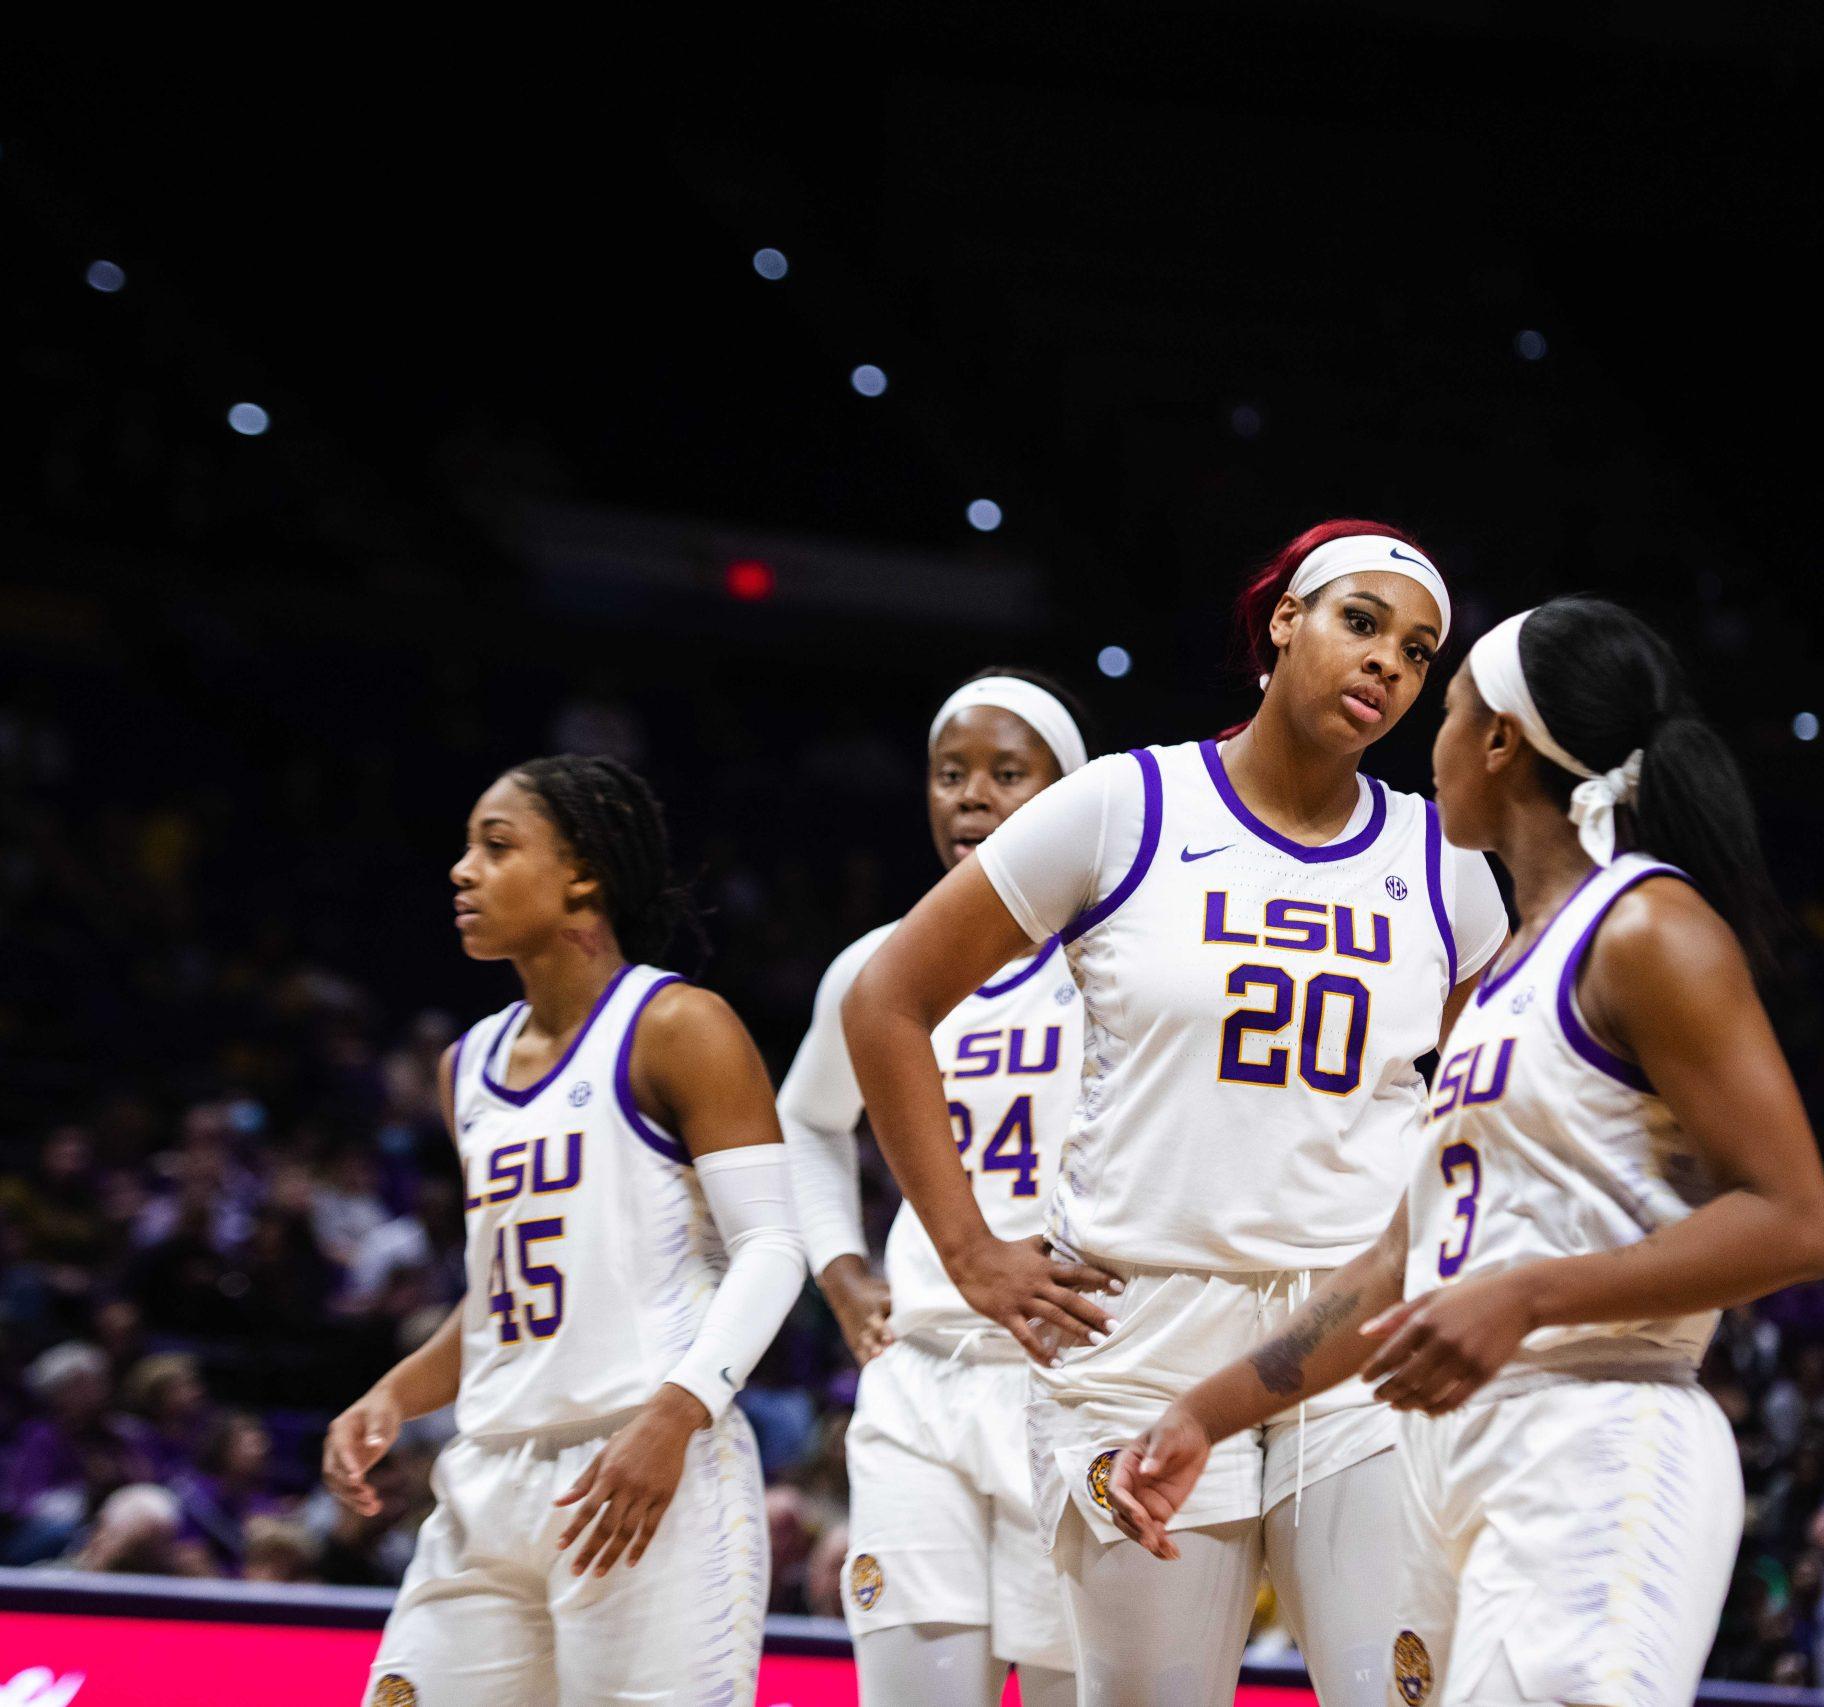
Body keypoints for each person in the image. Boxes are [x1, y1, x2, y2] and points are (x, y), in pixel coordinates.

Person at [1108, 596, 1824, 1707]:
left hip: (1604, 1433)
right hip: (1464, 1456)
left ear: (1498, 737)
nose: (1427, 737)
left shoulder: (1647, 931)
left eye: (1445, 707)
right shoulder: (1498, 981)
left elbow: (1792, 1221)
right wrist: (1203, 1415)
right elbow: (1399, 1267)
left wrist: (1526, 1295)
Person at [848, 522, 1509, 1704]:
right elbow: (887, 1003)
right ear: (1284, 621)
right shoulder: (1122, 805)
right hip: (1133, 1338)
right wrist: (968, 1252)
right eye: (1360, 623)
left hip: (1349, 1334)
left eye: (1416, 654)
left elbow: (1478, 1124)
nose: (1386, 667)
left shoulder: (1445, 860)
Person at [324, 754, 805, 1707]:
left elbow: (775, 1248)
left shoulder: (679, 1025)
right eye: (466, 850)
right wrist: (395, 1390)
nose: (462, 871)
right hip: (488, 1474)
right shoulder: (466, 1066)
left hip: (647, 1460)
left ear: (582, 871)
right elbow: (506, 1297)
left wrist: (674, 1417)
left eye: (496, 847)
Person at [779, 667, 1093, 1707]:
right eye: (950, 772)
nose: (970, 795)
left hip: (1076, 1382)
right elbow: (807, 1119)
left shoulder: (1116, 954)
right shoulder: (878, 966)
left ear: (1067, 792)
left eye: (1008, 772)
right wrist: (841, 1274)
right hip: (920, 1376)